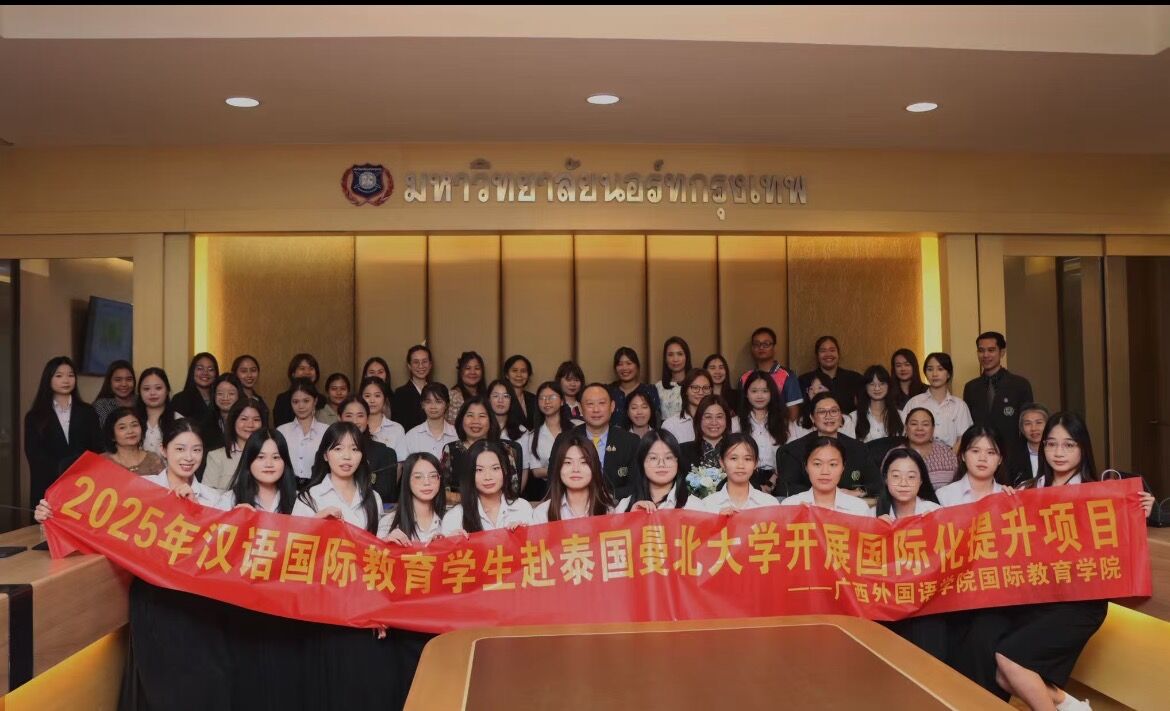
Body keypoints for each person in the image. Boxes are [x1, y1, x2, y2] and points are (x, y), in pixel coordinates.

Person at [961, 413, 1155, 707]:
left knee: (1009, 662)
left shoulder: (1100, 493)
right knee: (1001, 672)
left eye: (1069, 445)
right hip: (1038, 598)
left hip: (1081, 601)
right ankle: (1071, 705)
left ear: (1082, 449)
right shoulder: (1027, 489)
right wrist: (1006, 507)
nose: (1059, 452)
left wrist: (1143, 512)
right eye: (1051, 444)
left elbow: (1121, 542)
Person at [38, 418, 232, 710]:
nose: (189, 457)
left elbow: (221, 556)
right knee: (159, 683)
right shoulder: (138, 489)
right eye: (180, 449)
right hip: (154, 600)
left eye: (196, 450)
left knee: (203, 679)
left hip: (199, 604)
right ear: (163, 450)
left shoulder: (218, 499)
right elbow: (96, 524)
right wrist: (52, 515)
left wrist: (193, 510)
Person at [23, 356, 102, 506]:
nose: (66, 380)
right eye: (59, 376)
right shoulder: (35, 416)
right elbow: (34, 455)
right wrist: (63, 471)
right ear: (48, 379)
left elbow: (97, 448)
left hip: (84, 486)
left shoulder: (88, 411)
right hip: (49, 486)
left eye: (70, 375)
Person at [292, 420, 389, 535]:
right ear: (325, 455)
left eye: (354, 449)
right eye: (338, 449)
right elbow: (292, 540)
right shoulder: (308, 498)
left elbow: (379, 542)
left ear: (362, 455)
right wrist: (316, 522)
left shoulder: (373, 498)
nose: (347, 456)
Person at [777, 392, 878, 498]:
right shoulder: (794, 450)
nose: (828, 416)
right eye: (822, 412)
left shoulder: (858, 448)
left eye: (834, 411)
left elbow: (877, 484)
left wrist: (859, 491)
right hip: (810, 505)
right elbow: (784, 488)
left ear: (841, 416)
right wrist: (832, 494)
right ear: (812, 418)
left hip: (849, 505)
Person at [962, 331, 1034, 457]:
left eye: (991, 350)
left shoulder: (1020, 385)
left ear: (1002, 352)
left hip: (1013, 455)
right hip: (980, 455)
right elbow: (968, 426)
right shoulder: (971, 388)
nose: (985, 355)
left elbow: (1027, 423)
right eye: (981, 350)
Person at [563, 383, 640, 499]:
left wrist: (609, 496)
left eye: (602, 403)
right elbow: (555, 482)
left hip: (617, 505)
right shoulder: (565, 440)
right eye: (590, 404)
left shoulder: (630, 442)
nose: (596, 409)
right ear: (580, 408)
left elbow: (636, 485)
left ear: (612, 406)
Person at [440, 396, 523, 504]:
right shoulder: (450, 450)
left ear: (491, 420)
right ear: (461, 419)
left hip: (498, 509)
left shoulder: (504, 449)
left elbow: (513, 490)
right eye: (470, 415)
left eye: (482, 416)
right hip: (460, 508)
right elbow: (441, 491)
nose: (476, 421)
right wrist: (467, 501)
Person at [441, 440, 532, 535]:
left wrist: (523, 536)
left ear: (505, 470)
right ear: (469, 474)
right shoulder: (454, 517)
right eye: (479, 470)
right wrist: (453, 542)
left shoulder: (522, 508)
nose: (488, 477)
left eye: (495, 468)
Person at [532, 431, 615, 522]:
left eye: (584, 462)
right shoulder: (542, 513)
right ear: (559, 468)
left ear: (594, 467)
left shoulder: (609, 511)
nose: (576, 469)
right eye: (568, 462)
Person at [780, 437, 872, 516]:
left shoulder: (858, 508)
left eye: (832, 464)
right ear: (806, 467)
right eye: (817, 464)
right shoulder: (790, 505)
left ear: (843, 467)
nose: (825, 472)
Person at [902, 352, 973, 450]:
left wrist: (949, 457)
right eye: (930, 369)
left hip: (951, 456)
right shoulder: (915, 402)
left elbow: (963, 438)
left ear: (948, 374)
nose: (934, 374)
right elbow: (905, 433)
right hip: (918, 456)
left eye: (940, 369)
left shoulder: (959, 405)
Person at [337, 395, 399, 504]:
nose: (354, 421)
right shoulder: (330, 451)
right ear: (339, 418)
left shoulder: (385, 453)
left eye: (360, 416)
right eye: (349, 416)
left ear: (367, 419)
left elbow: (386, 495)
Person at [220, 429, 299, 513]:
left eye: (276, 457)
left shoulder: (299, 500)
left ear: (285, 462)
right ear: (249, 461)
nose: (269, 464)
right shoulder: (229, 499)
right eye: (261, 457)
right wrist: (234, 517)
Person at [617, 429, 697, 512]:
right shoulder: (624, 506)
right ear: (642, 462)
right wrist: (632, 517)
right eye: (653, 458)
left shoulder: (694, 506)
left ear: (677, 461)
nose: (661, 464)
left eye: (668, 457)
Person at [698, 434, 780, 513]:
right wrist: (718, 520)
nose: (740, 465)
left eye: (747, 459)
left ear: (755, 463)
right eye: (733, 458)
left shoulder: (769, 503)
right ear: (722, 462)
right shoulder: (706, 505)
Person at [738, 370, 788, 493]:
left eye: (765, 391)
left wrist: (771, 482)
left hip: (779, 480)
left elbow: (789, 456)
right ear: (746, 393)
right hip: (745, 480)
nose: (759, 396)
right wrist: (757, 487)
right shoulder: (736, 423)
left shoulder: (784, 423)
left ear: (772, 393)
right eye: (754, 391)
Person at [936, 425, 1009, 507]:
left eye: (990, 452)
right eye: (975, 451)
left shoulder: (1008, 497)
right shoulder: (944, 496)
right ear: (963, 455)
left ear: (1000, 459)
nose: (982, 458)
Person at [201, 398, 265, 490]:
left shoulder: (271, 455)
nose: (250, 424)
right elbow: (206, 493)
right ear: (233, 421)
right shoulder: (216, 456)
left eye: (256, 419)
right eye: (244, 419)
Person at [527, 382, 575, 501]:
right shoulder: (533, 435)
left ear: (562, 401)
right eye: (542, 398)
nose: (546, 401)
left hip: (575, 484)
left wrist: (553, 469)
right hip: (546, 489)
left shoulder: (575, 428)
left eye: (552, 397)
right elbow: (536, 471)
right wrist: (564, 470)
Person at [385, 452, 447, 545]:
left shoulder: (452, 520)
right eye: (418, 477)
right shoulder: (388, 523)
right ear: (407, 480)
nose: (427, 482)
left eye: (433, 476)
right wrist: (384, 543)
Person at [741, 327, 802, 421]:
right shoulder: (745, 377)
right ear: (752, 348)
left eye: (766, 344)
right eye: (757, 344)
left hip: (781, 428)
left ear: (774, 347)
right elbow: (742, 410)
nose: (761, 347)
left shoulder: (787, 375)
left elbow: (793, 413)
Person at [798, 336, 866, 416]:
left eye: (832, 350)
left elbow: (863, 407)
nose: (828, 354)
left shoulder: (855, 378)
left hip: (849, 423)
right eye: (823, 351)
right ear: (817, 355)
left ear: (838, 353)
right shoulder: (804, 380)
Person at [275, 378, 327, 481]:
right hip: (287, 487)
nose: (301, 406)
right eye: (295, 402)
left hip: (319, 487)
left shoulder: (326, 430)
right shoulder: (281, 431)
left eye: (306, 401)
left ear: (315, 401)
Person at [488, 378, 531, 492]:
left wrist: (515, 496)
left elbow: (524, 469)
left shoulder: (522, 431)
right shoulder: (481, 428)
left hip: (510, 491)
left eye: (506, 396)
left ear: (512, 400)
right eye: (496, 396)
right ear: (488, 399)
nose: (500, 400)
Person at [874, 447, 940, 521]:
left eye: (911, 477)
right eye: (896, 476)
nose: (903, 483)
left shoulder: (935, 511)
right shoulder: (872, 515)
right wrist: (877, 526)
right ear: (886, 479)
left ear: (921, 480)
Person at [903, 407, 959, 491]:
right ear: (906, 428)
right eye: (914, 424)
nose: (919, 428)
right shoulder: (896, 454)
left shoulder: (946, 453)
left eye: (925, 424)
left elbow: (958, 484)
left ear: (933, 429)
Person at [679, 394, 737, 476]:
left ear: (727, 420)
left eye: (719, 417)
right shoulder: (682, 451)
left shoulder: (737, 449)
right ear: (699, 419)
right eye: (708, 417)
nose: (714, 422)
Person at [100, 406, 164, 476]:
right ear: (112, 435)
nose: (130, 431)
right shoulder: (102, 461)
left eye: (134, 425)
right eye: (122, 428)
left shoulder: (153, 460)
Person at [608, 347, 661, 430]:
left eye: (629, 363)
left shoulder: (650, 390)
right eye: (620, 364)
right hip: (612, 437)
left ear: (637, 366)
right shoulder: (608, 391)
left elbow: (656, 421)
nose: (624, 368)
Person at [402, 383, 458, 461]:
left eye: (438, 401)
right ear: (422, 404)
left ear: (446, 405)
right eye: (428, 402)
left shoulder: (457, 434)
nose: (433, 406)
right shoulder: (411, 436)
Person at [661, 368, 713, 445]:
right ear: (685, 390)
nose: (701, 392)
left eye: (705, 388)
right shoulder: (670, 425)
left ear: (711, 391)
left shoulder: (718, 422)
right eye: (695, 387)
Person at [361, 376, 407, 462]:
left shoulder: (396, 429)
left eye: (377, 396)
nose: (372, 400)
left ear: (385, 399)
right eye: (367, 396)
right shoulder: (355, 426)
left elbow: (400, 463)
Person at [854, 365, 904, 443]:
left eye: (882, 384)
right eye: (872, 384)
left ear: (888, 386)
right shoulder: (853, 418)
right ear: (865, 387)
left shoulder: (901, 416)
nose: (877, 388)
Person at [135, 367, 178, 457]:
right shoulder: (131, 420)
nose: (152, 393)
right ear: (139, 392)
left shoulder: (178, 420)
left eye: (158, 388)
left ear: (167, 390)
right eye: (146, 389)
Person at [272, 353, 321, 427]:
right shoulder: (283, 399)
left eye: (311, 368)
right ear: (293, 373)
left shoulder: (322, 399)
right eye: (302, 368)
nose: (307, 372)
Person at [1005, 404, 1049, 485]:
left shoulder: (1057, 453)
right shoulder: (1012, 456)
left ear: (1048, 425)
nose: (1034, 428)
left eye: (1039, 422)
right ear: (1021, 428)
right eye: (1028, 423)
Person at [392, 346, 432, 432]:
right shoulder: (400, 394)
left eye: (424, 361)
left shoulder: (436, 391)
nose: (421, 366)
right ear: (409, 366)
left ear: (430, 364)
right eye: (416, 362)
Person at [200, 373, 245, 452]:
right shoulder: (205, 423)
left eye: (231, 393)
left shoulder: (246, 422)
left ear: (239, 395)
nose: (225, 398)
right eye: (220, 393)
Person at [170, 352, 219, 421]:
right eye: (200, 368)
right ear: (192, 371)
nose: (205, 373)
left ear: (216, 374)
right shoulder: (180, 399)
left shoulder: (220, 399)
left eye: (210, 369)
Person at [655, 336, 691, 421]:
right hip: (665, 429)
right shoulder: (658, 387)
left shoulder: (696, 384)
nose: (675, 359)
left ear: (687, 357)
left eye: (680, 354)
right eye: (670, 355)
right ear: (665, 359)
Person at [92, 359, 136, 427]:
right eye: (118, 380)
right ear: (109, 382)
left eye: (129, 379)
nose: (124, 384)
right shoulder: (102, 406)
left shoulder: (141, 401)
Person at [446, 351, 485, 425]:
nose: (472, 372)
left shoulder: (486, 395)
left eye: (477, 368)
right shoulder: (453, 396)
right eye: (468, 368)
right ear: (460, 372)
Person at [502, 354, 538, 430]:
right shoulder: (501, 398)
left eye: (523, 371)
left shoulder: (534, 399)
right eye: (514, 370)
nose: (519, 375)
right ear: (507, 374)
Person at [230, 354, 269, 424]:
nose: (249, 375)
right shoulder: (232, 399)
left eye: (253, 370)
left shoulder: (258, 399)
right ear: (235, 374)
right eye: (244, 371)